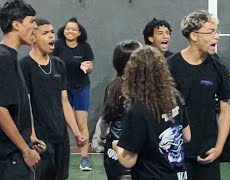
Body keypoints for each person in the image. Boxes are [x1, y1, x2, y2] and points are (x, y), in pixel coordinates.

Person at [167, 10, 230, 180]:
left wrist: (218, 148)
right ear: (194, 36)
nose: (216, 37)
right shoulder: (169, 66)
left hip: (207, 152)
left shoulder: (218, 68)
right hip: (175, 152)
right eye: (211, 32)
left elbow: (225, 110)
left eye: (217, 31)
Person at [20, 17, 86, 180]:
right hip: (41, 139)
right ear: (34, 37)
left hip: (60, 136)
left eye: (52, 32)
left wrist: (76, 132)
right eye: (45, 33)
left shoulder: (58, 64)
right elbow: (26, 104)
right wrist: (32, 136)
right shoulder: (25, 65)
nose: (51, 36)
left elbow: (64, 102)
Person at [112, 46, 191, 180]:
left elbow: (128, 160)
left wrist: (116, 146)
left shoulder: (137, 110)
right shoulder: (174, 97)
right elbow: (187, 136)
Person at [0, 0, 41, 179]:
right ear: (16, 25)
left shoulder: (10, 58)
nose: (35, 27)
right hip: (10, 159)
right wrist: (25, 149)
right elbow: (1, 110)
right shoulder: (4, 59)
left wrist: (28, 138)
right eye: (32, 22)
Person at [53, 17, 94, 171]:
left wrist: (87, 67)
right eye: (67, 28)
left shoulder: (85, 47)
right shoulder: (57, 46)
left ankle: (84, 158)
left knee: (81, 123)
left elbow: (90, 67)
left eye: (73, 29)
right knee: (62, 123)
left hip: (81, 88)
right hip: (62, 89)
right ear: (63, 31)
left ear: (79, 33)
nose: (70, 31)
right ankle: (61, 157)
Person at [101, 40, 142, 180]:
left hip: (114, 150)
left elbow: (105, 121)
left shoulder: (112, 86)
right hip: (127, 150)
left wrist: (102, 137)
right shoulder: (139, 89)